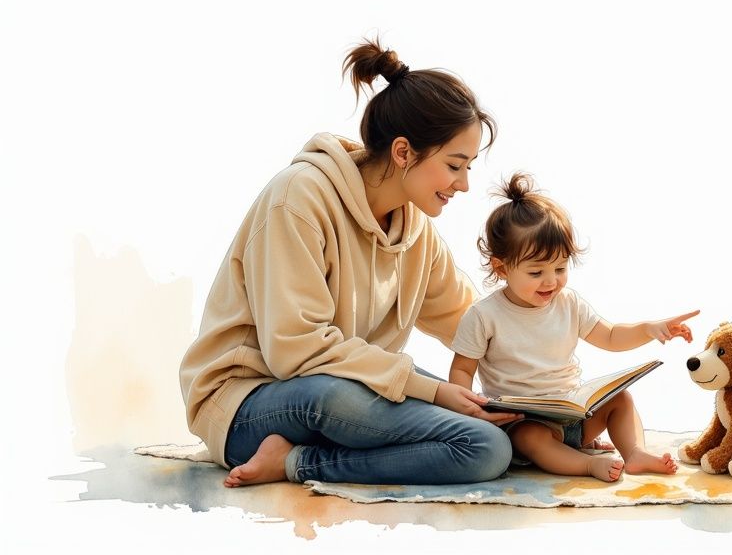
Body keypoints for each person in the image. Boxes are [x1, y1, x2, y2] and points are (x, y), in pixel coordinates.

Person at [179, 38, 522, 488]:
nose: (463, 185)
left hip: (351, 386)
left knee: (493, 435)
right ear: (403, 153)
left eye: (469, 167)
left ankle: (297, 457)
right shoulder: (299, 198)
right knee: (457, 433)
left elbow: (471, 321)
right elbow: (295, 349)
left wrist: (546, 386)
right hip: (250, 401)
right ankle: (295, 463)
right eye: (455, 165)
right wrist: (432, 391)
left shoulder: (415, 227)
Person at [449, 172, 700, 482]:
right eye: (536, 271)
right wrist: (472, 409)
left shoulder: (569, 303)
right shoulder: (484, 315)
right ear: (501, 268)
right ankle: (586, 465)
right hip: (524, 422)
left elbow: (610, 336)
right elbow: (462, 369)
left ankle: (633, 453)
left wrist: (649, 329)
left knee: (620, 399)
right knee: (530, 438)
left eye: (560, 267)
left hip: (574, 416)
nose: (551, 280)